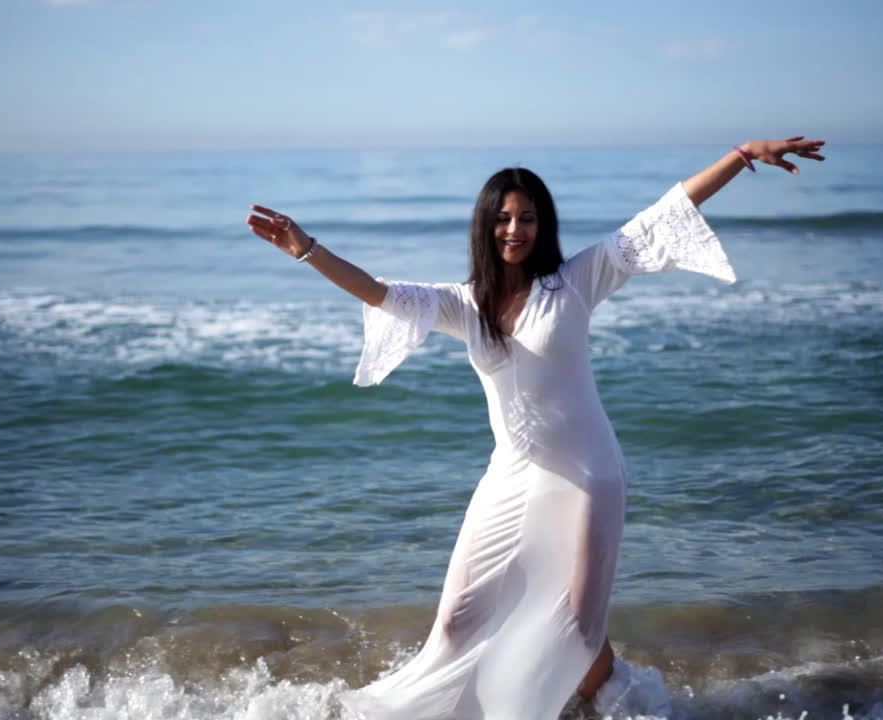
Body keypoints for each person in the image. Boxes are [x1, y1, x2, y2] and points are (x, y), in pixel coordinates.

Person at [246, 137, 826, 719]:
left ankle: (629, 708)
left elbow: (664, 214)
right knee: (455, 622)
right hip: (512, 477)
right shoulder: (464, 304)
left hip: (587, 475)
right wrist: (307, 249)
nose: (514, 229)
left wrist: (743, 155)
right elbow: (378, 292)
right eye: (502, 218)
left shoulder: (576, 280)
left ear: (543, 224)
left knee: (574, 626)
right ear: (485, 226)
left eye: (526, 218)